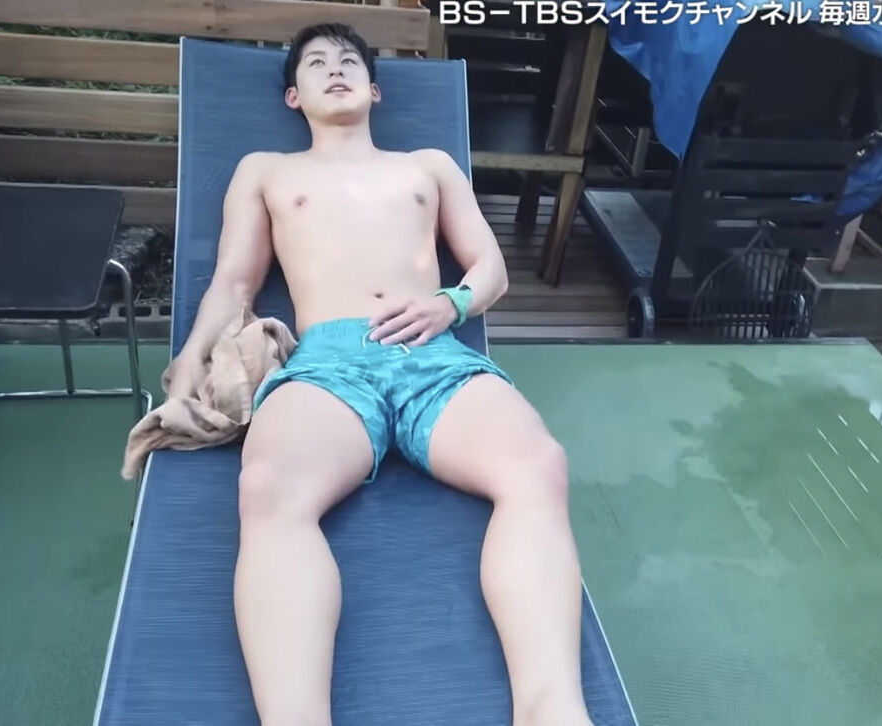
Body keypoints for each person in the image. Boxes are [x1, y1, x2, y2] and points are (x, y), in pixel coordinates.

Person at [162, 22, 596, 726]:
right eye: (314, 63)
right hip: (327, 363)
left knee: (539, 467)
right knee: (268, 490)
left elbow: (490, 269)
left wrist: (450, 304)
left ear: (374, 89)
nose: (334, 69)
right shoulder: (266, 170)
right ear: (293, 96)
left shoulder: (427, 166)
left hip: (432, 351)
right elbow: (234, 283)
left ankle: (552, 711)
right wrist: (190, 356)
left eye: (348, 62)